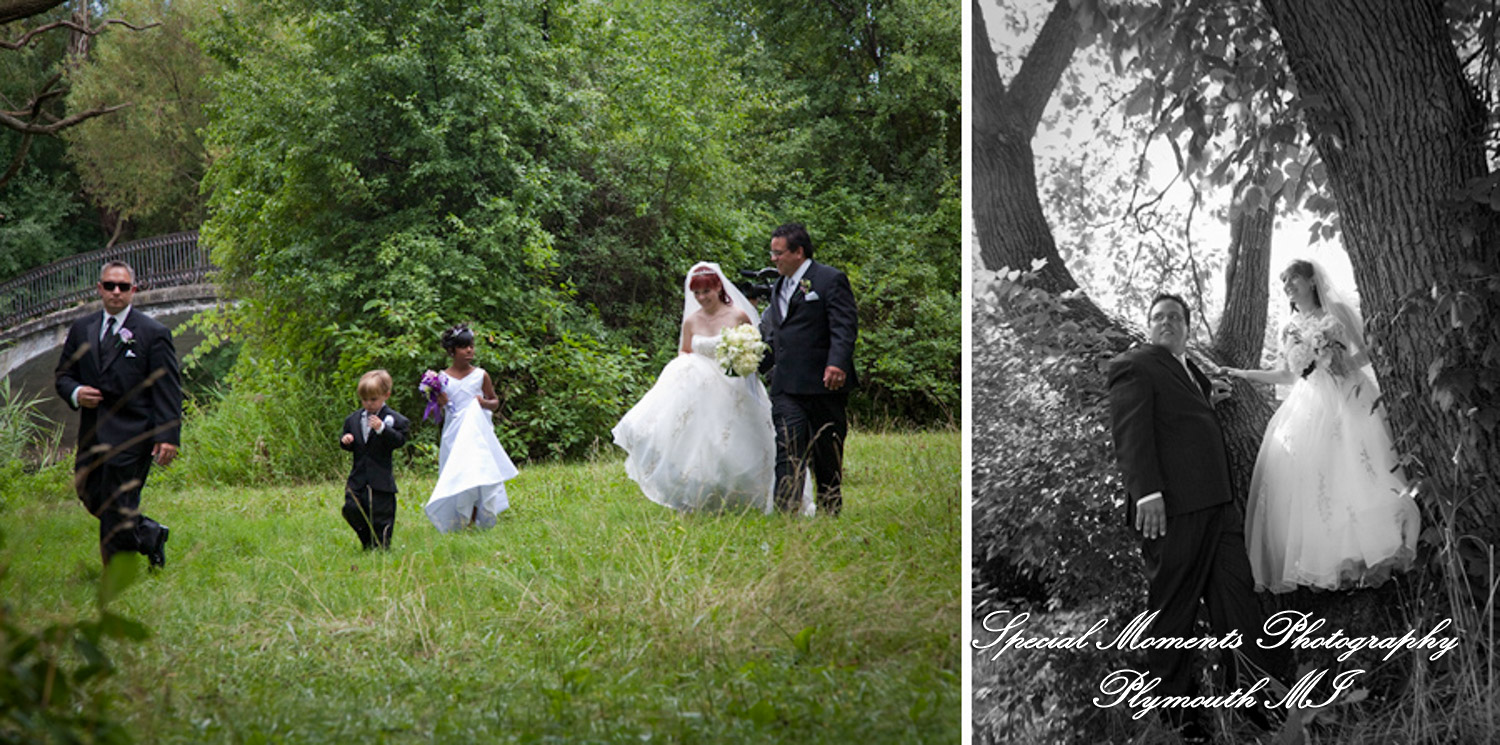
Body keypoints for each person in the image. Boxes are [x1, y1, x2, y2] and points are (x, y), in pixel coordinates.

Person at [1107, 293, 1287, 741]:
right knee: (1172, 616)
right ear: (1148, 327)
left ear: (1187, 327)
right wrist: (1146, 491)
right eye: (1158, 317)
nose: (1166, 321)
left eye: (1175, 317)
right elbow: (1131, 430)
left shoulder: (1190, 372)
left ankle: (1257, 711)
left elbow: (1183, 416)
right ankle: (1178, 724)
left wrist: (1210, 395)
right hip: (1172, 512)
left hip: (1218, 509)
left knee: (1239, 604)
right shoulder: (1136, 363)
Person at [1222, 259, 1420, 593]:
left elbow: (1367, 351)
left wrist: (1337, 363)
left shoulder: (1337, 311)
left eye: (1294, 278)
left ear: (1312, 281)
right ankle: (1334, 558)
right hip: (1309, 403)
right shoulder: (1289, 327)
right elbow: (1288, 375)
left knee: (1358, 466)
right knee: (1316, 477)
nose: (1288, 286)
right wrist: (1245, 375)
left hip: (1347, 395)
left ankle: (1374, 545)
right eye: (1284, 281)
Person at [611, 262, 776, 512]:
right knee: (701, 444)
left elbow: (752, 350)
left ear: (718, 287)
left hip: (732, 386)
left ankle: (746, 496)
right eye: (697, 293)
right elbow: (685, 353)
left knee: (734, 444)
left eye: (706, 291)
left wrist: (740, 363)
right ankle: (699, 497)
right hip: (701, 391)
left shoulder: (738, 316)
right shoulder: (691, 321)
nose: (701, 298)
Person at [54, 260, 182, 568]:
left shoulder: (153, 333)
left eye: (123, 287)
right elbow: (63, 375)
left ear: (133, 291)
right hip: (92, 431)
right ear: (99, 288)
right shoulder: (82, 329)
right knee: (88, 491)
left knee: (118, 501)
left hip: (134, 433)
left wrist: (168, 436)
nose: (116, 292)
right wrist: (76, 393)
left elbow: (168, 387)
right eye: (109, 285)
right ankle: (150, 534)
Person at [757, 223, 858, 515]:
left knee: (826, 453)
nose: (773, 259)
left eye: (778, 253)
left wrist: (837, 362)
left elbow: (844, 326)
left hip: (824, 384)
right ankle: (785, 513)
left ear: (798, 252)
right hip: (786, 385)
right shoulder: (779, 286)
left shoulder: (829, 279)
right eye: (772, 253)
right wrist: (751, 363)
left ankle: (830, 511)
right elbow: (778, 336)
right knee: (787, 449)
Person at [424, 325, 519, 532]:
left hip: (477, 434)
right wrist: (439, 401)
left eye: (471, 346)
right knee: (458, 473)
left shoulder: (481, 375)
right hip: (454, 434)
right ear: (452, 351)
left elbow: (494, 401)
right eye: (463, 347)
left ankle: (477, 517)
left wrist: (483, 403)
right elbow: (435, 413)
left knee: (477, 473)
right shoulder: (442, 378)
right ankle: (459, 519)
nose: (469, 351)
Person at [339, 370, 410, 550]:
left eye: (373, 399)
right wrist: (346, 440)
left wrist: (382, 429)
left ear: (386, 395)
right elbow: (349, 441)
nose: (368, 404)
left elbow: (399, 440)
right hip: (358, 477)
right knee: (351, 508)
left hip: (381, 477)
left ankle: (381, 546)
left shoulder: (395, 419)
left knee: (382, 516)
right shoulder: (353, 419)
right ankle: (366, 541)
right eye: (364, 400)